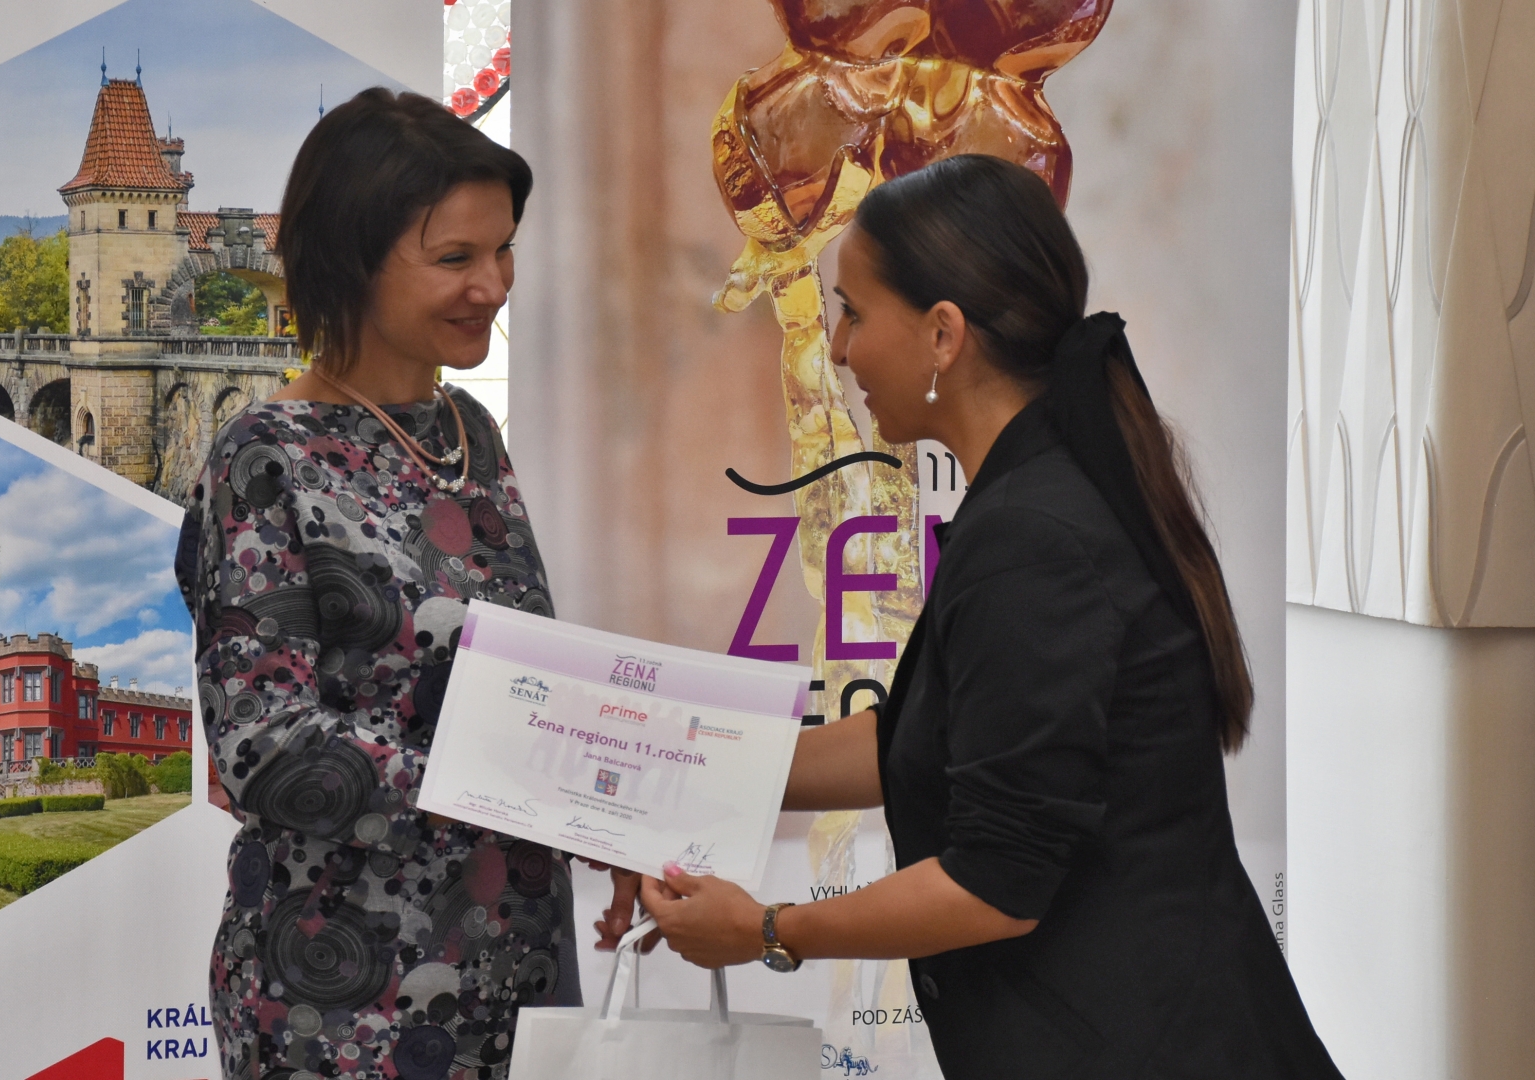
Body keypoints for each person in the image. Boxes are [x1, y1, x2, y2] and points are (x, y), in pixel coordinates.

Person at [640, 154, 1345, 1079]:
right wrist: (672, 768)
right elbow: (918, 742)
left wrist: (769, 929)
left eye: (854, 313)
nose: (839, 350)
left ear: (942, 333)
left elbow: (995, 884)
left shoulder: (1033, 535)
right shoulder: (1034, 497)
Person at [174, 88, 639, 1080]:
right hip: (340, 1003)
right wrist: (531, 789)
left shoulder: (472, 434)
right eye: (455, 258)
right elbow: (266, 747)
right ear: (351, 260)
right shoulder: (264, 455)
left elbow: (518, 686)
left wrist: (609, 811)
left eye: (503, 250)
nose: (492, 285)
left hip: (515, 972)